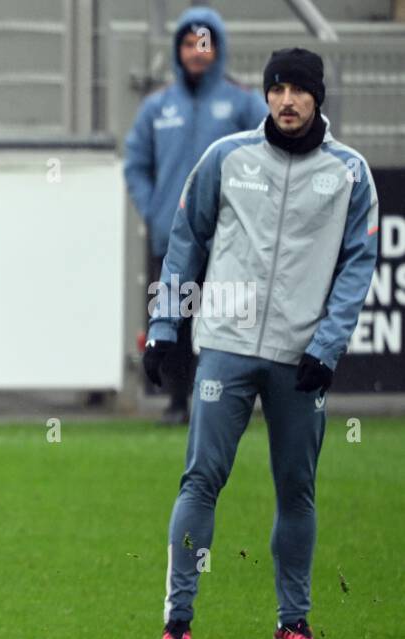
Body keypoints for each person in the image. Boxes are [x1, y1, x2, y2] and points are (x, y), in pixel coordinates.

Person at [144, 48, 378, 639]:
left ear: (318, 97)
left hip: (301, 356)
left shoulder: (350, 173)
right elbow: (185, 242)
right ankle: (178, 625)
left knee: (297, 488)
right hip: (224, 344)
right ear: (267, 95)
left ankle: (292, 625)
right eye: (277, 88)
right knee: (201, 480)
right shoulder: (227, 158)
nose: (287, 100)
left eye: (300, 89)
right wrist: (165, 325)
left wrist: (327, 346)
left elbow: (357, 267)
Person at [124, 6, 268, 425]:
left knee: (230, 320)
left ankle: (231, 398)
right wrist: (154, 209)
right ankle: (176, 402)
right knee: (174, 320)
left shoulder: (242, 102)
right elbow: (135, 162)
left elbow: (269, 156)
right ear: (178, 49)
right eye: (189, 43)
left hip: (229, 239)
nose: (197, 51)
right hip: (172, 238)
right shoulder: (157, 107)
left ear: (218, 49)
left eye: (205, 43)